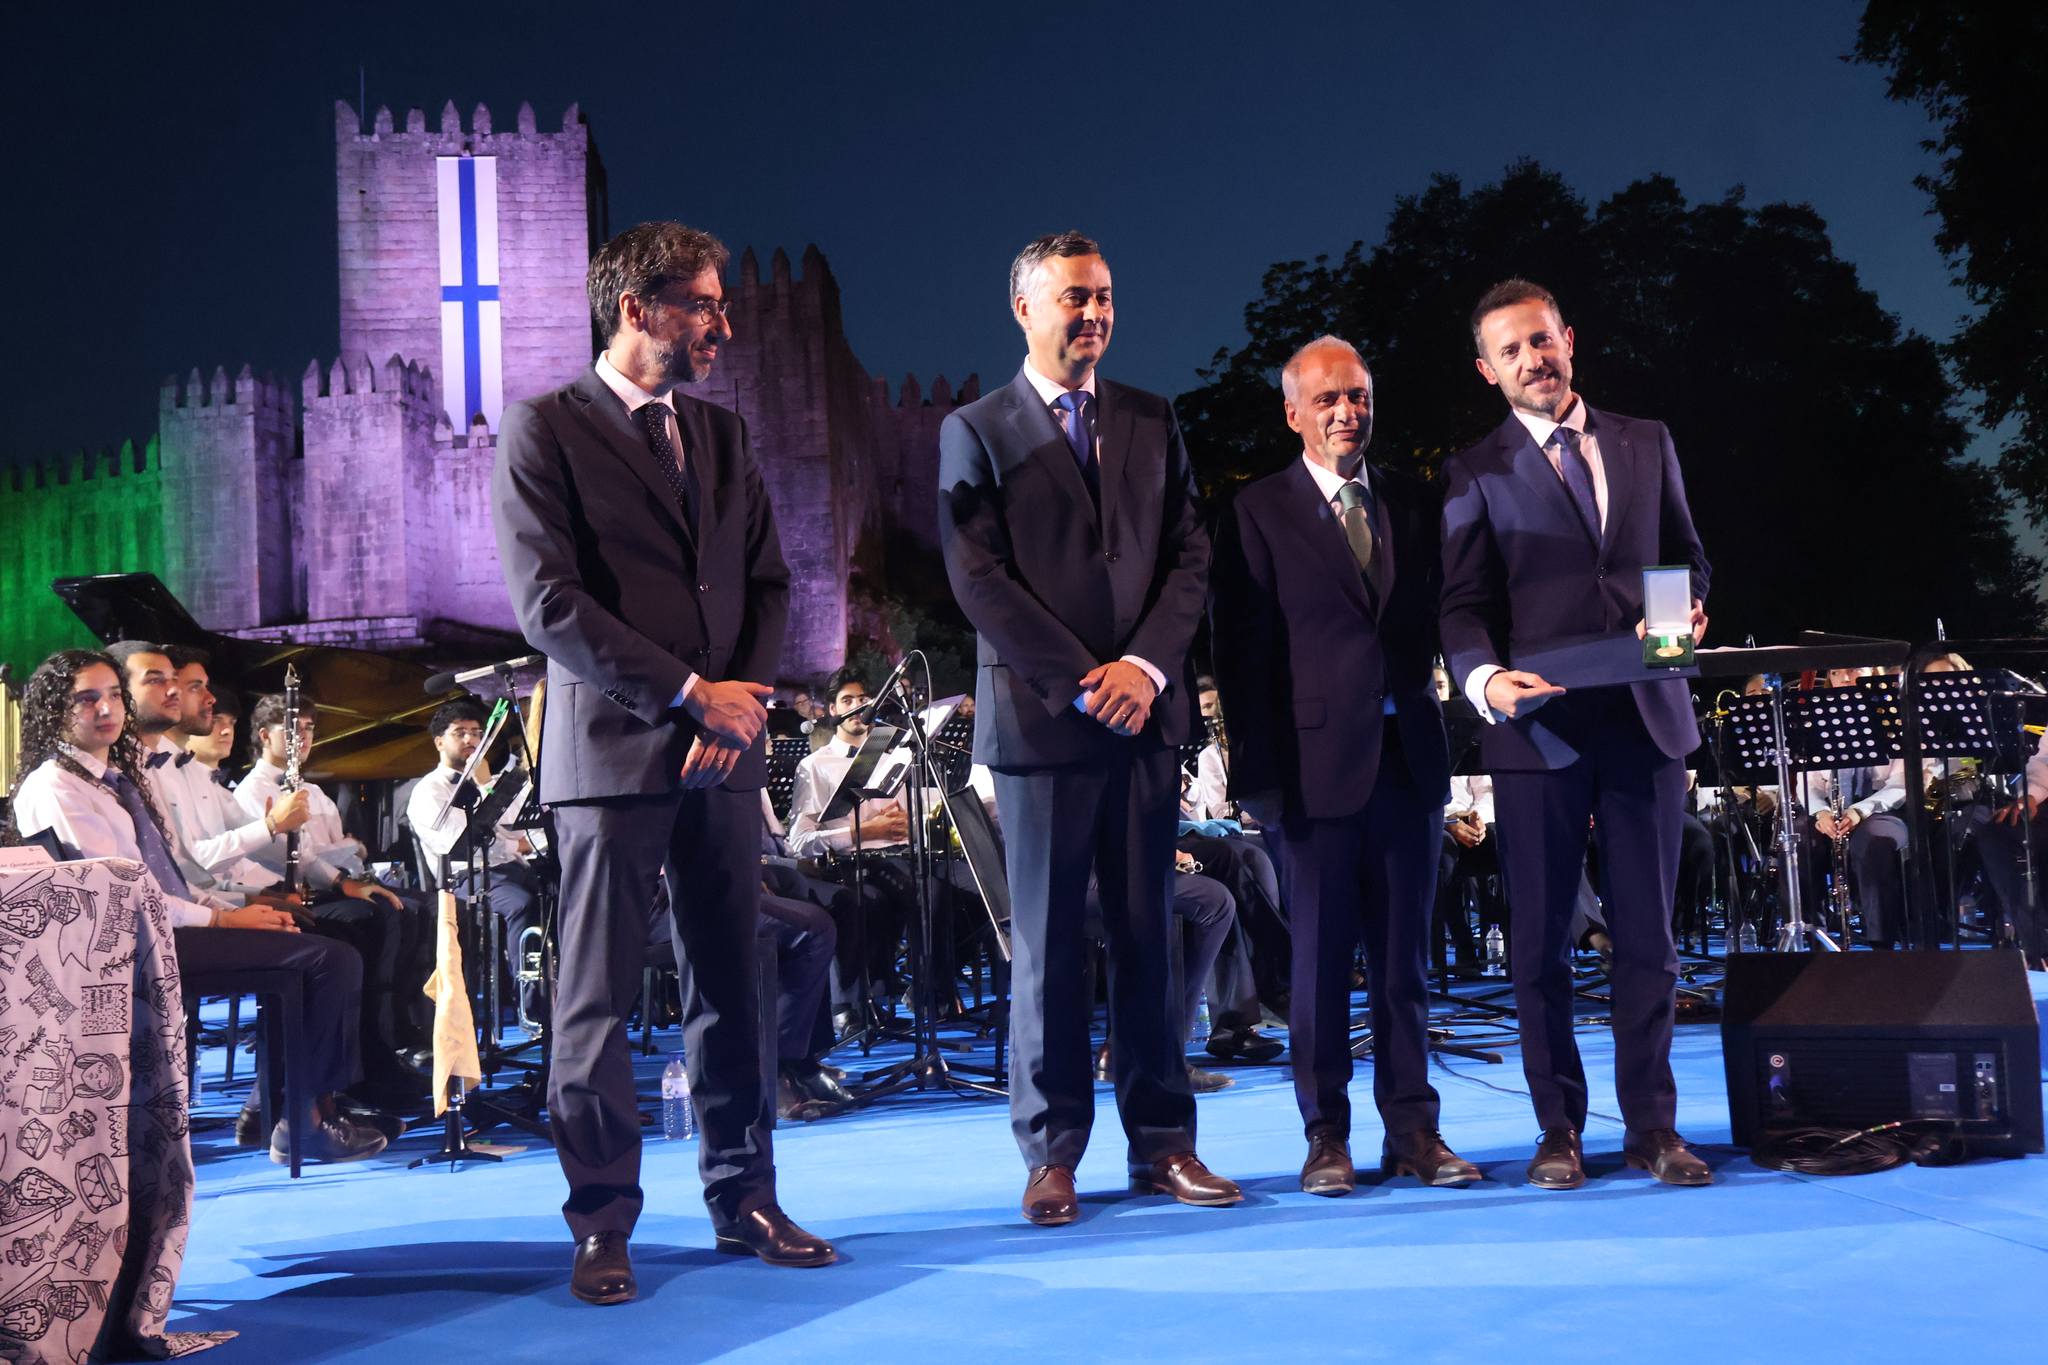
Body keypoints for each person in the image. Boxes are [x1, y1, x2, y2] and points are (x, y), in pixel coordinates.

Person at [493, 219, 823, 1307]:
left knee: (733, 988)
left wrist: (736, 707)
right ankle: (600, 1223)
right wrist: (687, 695)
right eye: (702, 304)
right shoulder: (544, 429)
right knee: (591, 1005)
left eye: (723, 305)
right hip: (609, 759)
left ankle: (746, 1198)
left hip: (720, 758)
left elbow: (768, 585)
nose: (722, 325)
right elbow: (549, 604)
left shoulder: (722, 440)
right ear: (636, 308)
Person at [938, 230, 1235, 1227]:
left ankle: (1164, 1146)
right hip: (1041, 729)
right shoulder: (973, 429)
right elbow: (976, 576)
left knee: (1150, 938)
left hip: (1143, 720)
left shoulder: (1153, 418)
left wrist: (1143, 668)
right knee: (1051, 947)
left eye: (1103, 295)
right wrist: (1080, 680)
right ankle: (1052, 1152)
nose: (1092, 313)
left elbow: (1190, 553)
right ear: (1023, 309)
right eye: (1072, 297)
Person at [1440, 279, 1714, 1189]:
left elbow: (1684, 557)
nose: (1533, 359)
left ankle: (1655, 1130)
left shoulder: (1648, 440)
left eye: (1542, 340)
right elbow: (1463, 605)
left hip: (1645, 719)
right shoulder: (1473, 471)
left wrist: (1676, 622)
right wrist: (1484, 678)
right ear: (1488, 370)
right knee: (1543, 943)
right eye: (1511, 351)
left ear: (1569, 337)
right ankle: (1558, 1128)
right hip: (1538, 734)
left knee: (1650, 940)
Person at [1211, 336, 1478, 1196]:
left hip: (1409, 766)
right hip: (1310, 776)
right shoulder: (1256, 511)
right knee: (1320, 971)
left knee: (1406, 967)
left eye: (1357, 396)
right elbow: (1241, 657)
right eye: (1326, 399)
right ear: (1293, 413)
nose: (1345, 412)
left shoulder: (1412, 499)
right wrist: (1256, 783)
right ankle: (1326, 1135)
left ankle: (1416, 1132)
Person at [6, 650, 384, 1163]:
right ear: (55, 710)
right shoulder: (58, 786)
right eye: (87, 699)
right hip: (128, 950)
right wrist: (225, 917)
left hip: (166, 927)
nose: (106, 709)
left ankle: (293, 1108)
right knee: (328, 958)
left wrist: (240, 905)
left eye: (113, 695)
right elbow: (124, 897)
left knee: (311, 938)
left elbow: (174, 872)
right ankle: (303, 1120)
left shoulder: (113, 778)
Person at [404, 698, 549, 1029]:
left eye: (476, 733)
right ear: (440, 741)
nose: (471, 740)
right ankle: (530, 1007)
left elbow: (518, 827)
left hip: (511, 869)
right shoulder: (429, 791)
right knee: (520, 905)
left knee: (563, 892)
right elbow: (457, 844)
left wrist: (492, 793)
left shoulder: (491, 781)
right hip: (467, 877)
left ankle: (564, 993)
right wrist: (485, 790)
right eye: (461, 733)